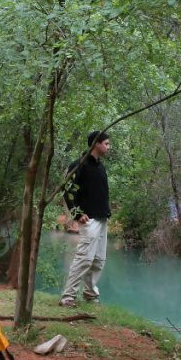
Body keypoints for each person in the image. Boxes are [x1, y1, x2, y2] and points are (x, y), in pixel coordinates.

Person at [59, 130, 111, 307]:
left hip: (102, 218)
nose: (108, 147)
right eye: (106, 143)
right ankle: (68, 297)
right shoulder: (79, 164)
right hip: (89, 220)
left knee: (98, 261)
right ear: (96, 144)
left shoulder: (100, 166)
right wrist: (76, 213)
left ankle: (90, 294)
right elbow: (66, 190)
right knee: (84, 259)